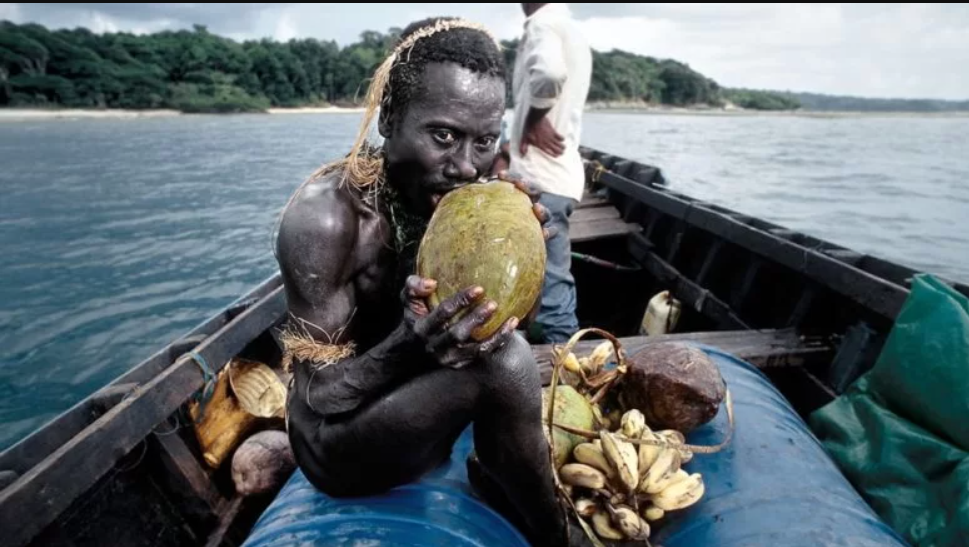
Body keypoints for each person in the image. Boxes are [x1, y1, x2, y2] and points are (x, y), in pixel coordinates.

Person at [273, 17, 583, 547]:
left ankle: (496, 473)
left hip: (417, 416)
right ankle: (556, 535)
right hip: (337, 446)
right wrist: (407, 344)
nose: (465, 166)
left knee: (504, 344)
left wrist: (524, 254)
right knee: (504, 365)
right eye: (443, 136)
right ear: (389, 117)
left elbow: (508, 323)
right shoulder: (327, 220)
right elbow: (321, 396)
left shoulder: (468, 205)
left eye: (485, 140)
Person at [494, 3, 593, 344]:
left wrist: (535, 118)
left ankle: (564, 367)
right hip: (557, 173)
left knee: (551, 287)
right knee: (547, 276)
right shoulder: (569, 27)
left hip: (544, 176)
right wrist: (514, 140)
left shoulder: (543, 25)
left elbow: (549, 73)